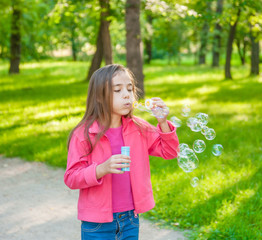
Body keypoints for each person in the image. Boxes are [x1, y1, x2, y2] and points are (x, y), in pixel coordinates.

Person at [64, 64, 179, 240]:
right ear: (100, 97)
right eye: (117, 90)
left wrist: (163, 122)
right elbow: (71, 177)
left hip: (130, 219)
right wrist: (101, 169)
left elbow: (170, 152)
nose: (126, 94)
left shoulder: (139, 127)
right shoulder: (84, 134)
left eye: (130, 89)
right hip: (97, 224)